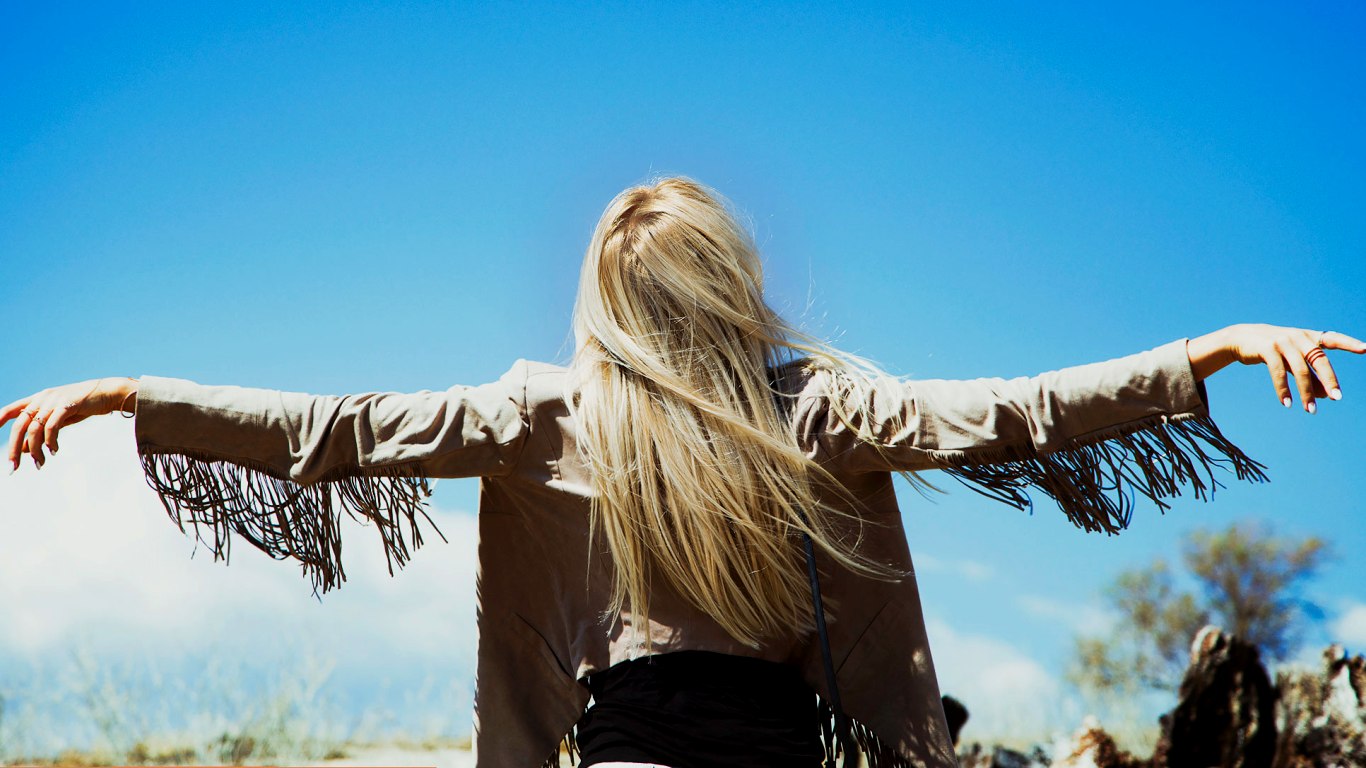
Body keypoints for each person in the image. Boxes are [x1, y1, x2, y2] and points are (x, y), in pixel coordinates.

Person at [3, 177, 1362, 768]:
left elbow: (336, 428)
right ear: (734, 283)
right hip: (769, 748)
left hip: (634, 749)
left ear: (601, 297)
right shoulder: (813, 404)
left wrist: (137, 396)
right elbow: (1014, 412)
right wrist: (1215, 349)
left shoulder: (547, 412)